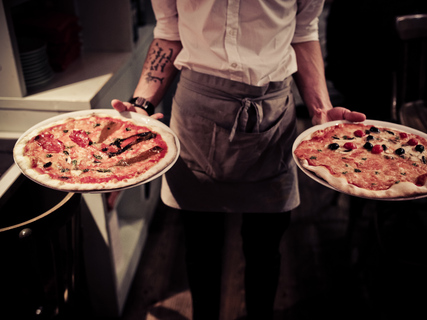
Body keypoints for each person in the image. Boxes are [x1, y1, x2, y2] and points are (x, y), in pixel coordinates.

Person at [112, 1, 366, 319]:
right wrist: (141, 104)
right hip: (197, 113)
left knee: (265, 247)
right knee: (200, 246)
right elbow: (169, 32)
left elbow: (302, 30)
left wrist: (320, 108)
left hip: (270, 116)